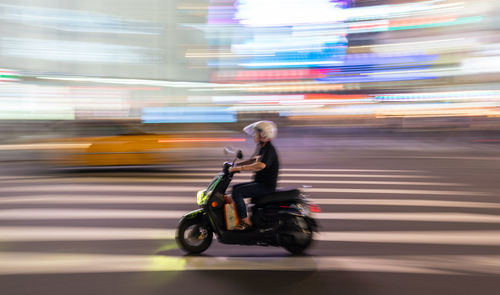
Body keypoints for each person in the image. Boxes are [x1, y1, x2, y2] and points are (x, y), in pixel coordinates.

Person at [228, 121, 280, 230]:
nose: (254, 135)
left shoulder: (269, 149)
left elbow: (260, 165)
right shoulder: (262, 146)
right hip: (259, 183)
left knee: (237, 192)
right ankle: (240, 218)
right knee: (235, 188)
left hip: (265, 186)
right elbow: (253, 160)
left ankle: (245, 222)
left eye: (257, 133)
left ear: (264, 135)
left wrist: (239, 168)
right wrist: (235, 164)